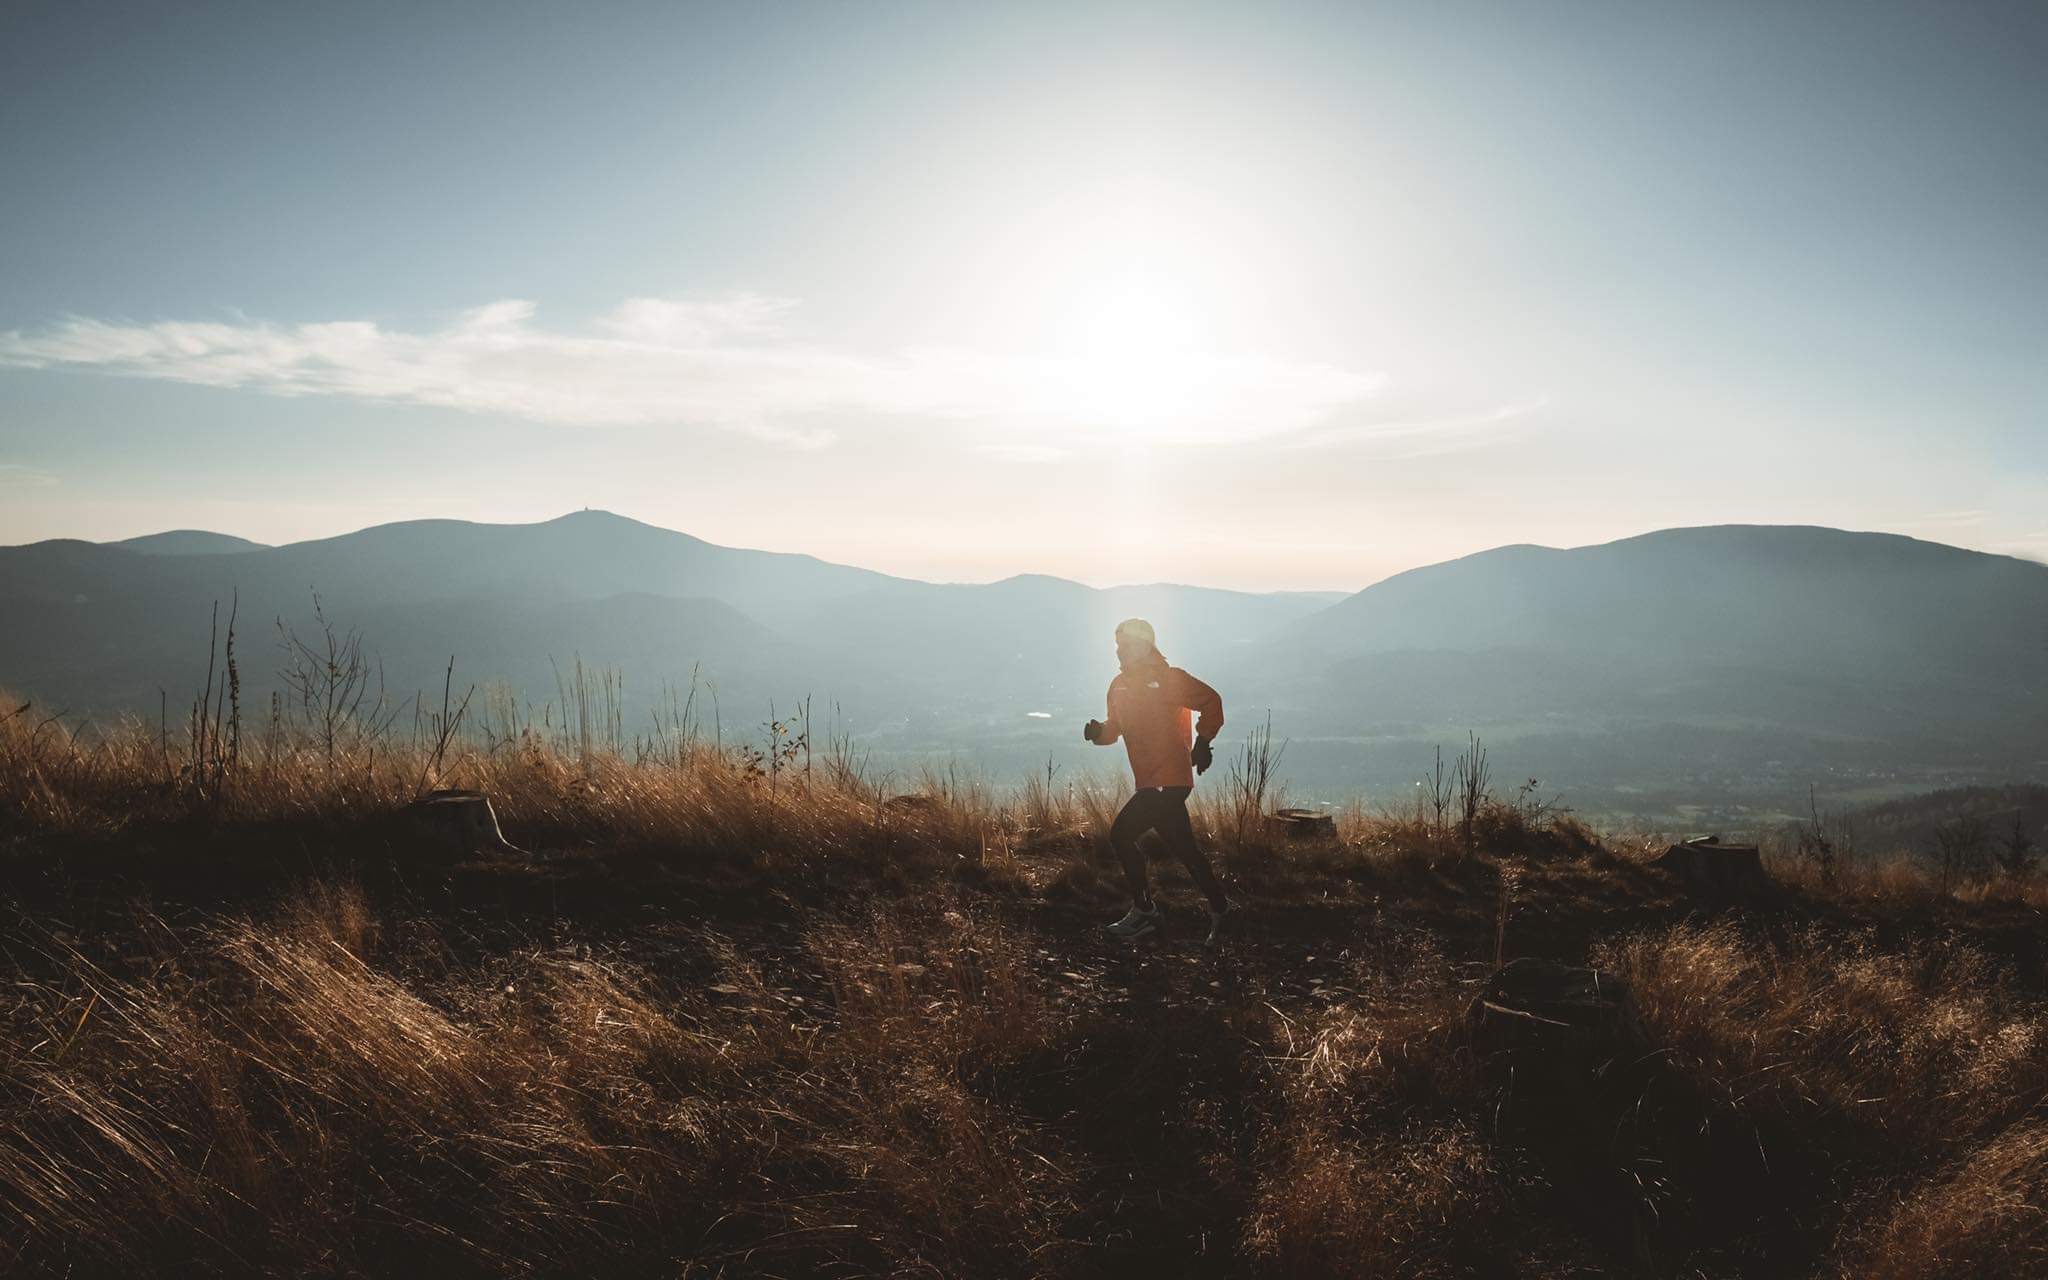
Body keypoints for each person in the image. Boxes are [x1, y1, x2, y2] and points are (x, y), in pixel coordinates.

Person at [1083, 617, 1231, 944]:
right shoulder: (1118, 687)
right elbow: (1114, 729)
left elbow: (1212, 702)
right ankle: (1222, 909)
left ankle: (1145, 913)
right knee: (1185, 850)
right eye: (1117, 645)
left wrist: (1203, 742)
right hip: (1149, 781)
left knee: (1121, 835)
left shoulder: (1169, 679)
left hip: (1169, 780)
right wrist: (1098, 733)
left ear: (1145, 646)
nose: (1119, 651)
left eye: (1126, 645)